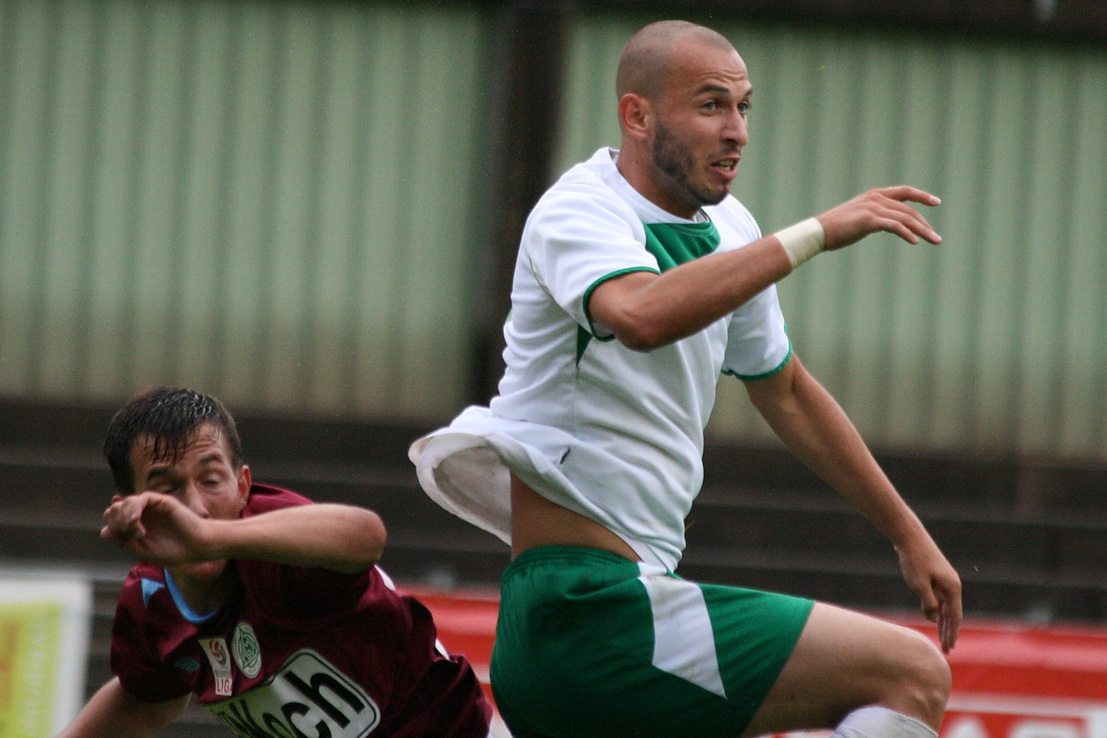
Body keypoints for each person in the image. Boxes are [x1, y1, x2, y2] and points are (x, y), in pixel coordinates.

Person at [409, 19, 962, 738]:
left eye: (743, 107)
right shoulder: (579, 208)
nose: (736, 130)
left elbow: (785, 390)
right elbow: (638, 314)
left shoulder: (731, 229)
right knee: (911, 673)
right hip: (585, 609)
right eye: (710, 106)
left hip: (617, 616)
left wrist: (907, 532)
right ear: (636, 115)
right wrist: (816, 232)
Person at [59, 386, 492, 738]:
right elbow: (139, 702)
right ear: (128, 506)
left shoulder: (281, 541)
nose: (196, 506)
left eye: (211, 481)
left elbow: (366, 536)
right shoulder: (149, 604)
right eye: (167, 488)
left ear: (243, 485)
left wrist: (209, 538)